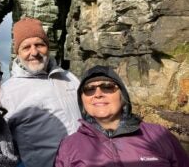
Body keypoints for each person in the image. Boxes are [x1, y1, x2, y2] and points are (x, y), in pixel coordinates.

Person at [54, 65, 189, 167]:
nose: (98, 93)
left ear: (123, 96)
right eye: (89, 89)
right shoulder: (69, 146)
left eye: (107, 86)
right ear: (82, 100)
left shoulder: (159, 135)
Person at [0, 17, 81, 167]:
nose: (34, 52)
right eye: (26, 47)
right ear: (17, 52)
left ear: (48, 47)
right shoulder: (6, 93)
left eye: (39, 44)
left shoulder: (70, 78)